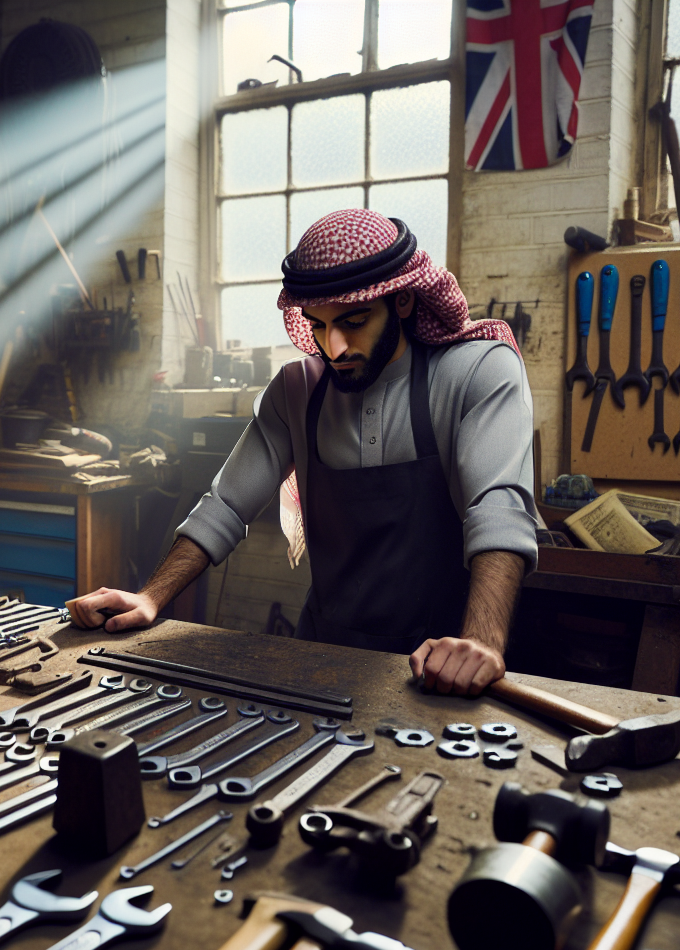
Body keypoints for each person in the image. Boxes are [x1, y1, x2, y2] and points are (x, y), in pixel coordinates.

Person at [68, 209, 539, 697]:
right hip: (322, 656)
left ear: (402, 300)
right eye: (317, 325)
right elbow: (225, 505)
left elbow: (499, 510)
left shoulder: (478, 372)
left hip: (442, 669)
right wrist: (150, 597)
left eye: (354, 322)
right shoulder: (298, 391)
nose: (333, 348)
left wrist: (481, 642)